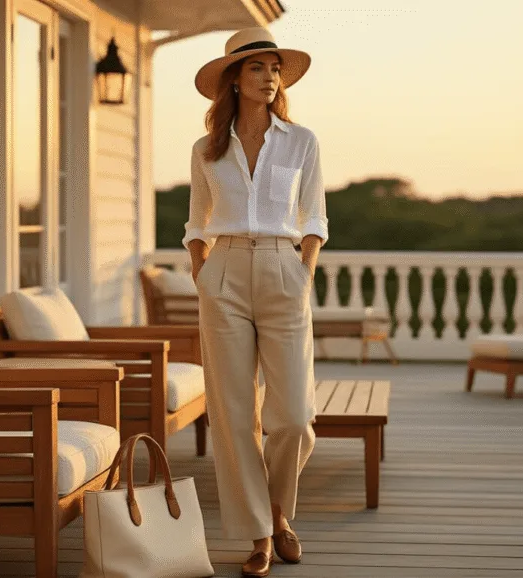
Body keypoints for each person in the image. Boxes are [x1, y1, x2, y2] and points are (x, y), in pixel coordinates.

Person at [183, 26, 328, 578]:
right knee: (234, 413)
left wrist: (304, 268)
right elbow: (197, 220)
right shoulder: (206, 149)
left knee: (293, 416)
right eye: (257, 68)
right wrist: (201, 269)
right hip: (222, 274)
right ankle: (260, 533)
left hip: (281, 267)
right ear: (234, 81)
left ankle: (279, 511)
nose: (269, 77)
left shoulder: (301, 140)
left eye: (274, 69)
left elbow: (313, 214)